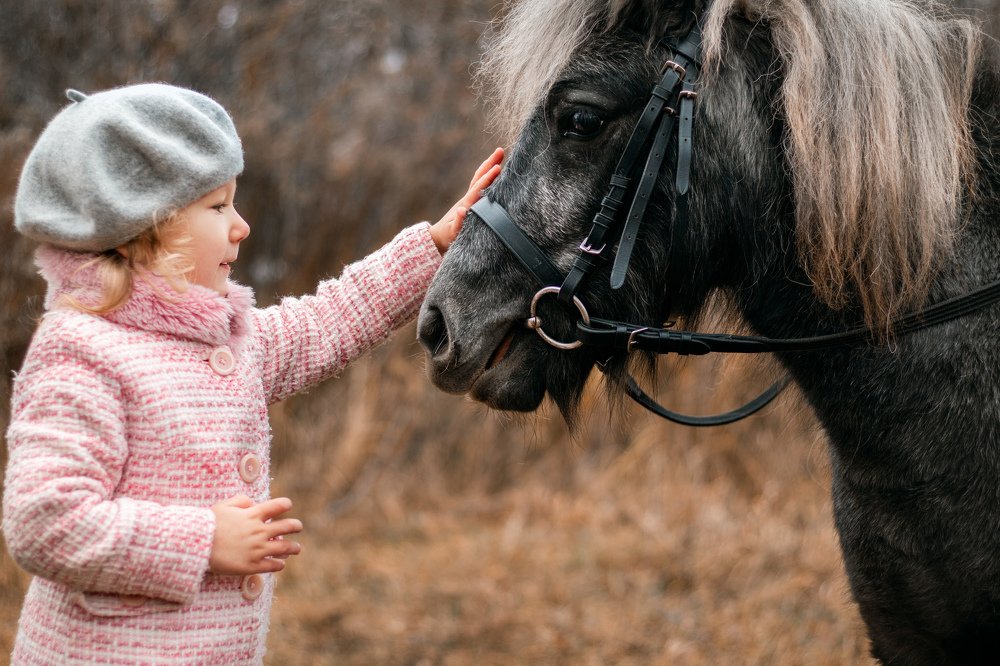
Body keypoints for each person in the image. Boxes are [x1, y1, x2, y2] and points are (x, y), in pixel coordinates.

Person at [1, 83, 503, 664]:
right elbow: (45, 522)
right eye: (218, 207)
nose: (241, 227)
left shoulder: (227, 341)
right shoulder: (80, 351)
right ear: (142, 229)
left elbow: (328, 321)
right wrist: (205, 540)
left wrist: (435, 245)